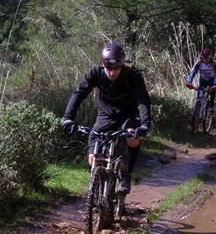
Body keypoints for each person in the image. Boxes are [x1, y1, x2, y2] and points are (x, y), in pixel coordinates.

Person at [62, 43, 151, 194]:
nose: (112, 72)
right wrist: (68, 118)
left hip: (128, 113)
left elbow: (142, 99)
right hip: (105, 114)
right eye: (108, 68)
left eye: (116, 68)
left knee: (132, 138)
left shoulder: (131, 74)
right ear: (102, 64)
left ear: (122, 65)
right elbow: (79, 93)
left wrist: (144, 124)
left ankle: (126, 177)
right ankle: (98, 187)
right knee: (92, 157)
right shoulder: (95, 72)